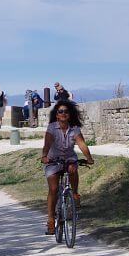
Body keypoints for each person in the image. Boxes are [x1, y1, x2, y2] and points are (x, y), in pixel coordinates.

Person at [41, 100, 94, 235]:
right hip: (53, 160)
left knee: (72, 169)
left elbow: (82, 144)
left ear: (70, 115)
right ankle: (51, 220)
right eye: (60, 111)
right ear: (57, 115)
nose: (63, 114)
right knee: (53, 189)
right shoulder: (52, 128)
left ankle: (74, 194)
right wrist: (44, 156)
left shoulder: (75, 129)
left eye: (66, 111)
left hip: (69, 158)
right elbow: (47, 143)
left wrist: (89, 157)